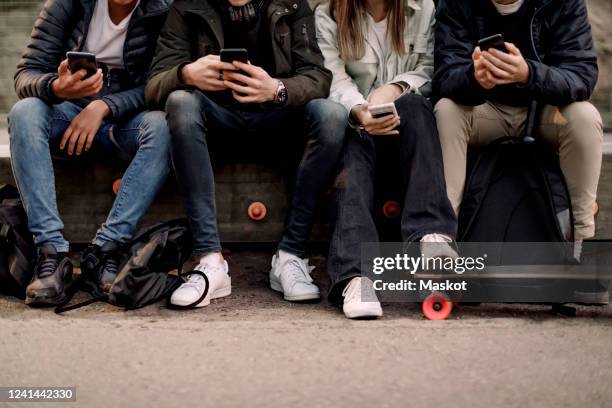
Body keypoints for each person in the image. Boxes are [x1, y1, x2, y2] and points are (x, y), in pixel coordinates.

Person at [145, 0, 347, 308]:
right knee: (180, 103)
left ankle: (290, 256)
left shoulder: (291, 5)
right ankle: (210, 262)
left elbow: (318, 78)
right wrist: (186, 74)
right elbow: (154, 86)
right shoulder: (187, 7)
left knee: (331, 114)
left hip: (278, 121)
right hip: (215, 123)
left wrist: (277, 89)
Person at [8, 0, 172, 307]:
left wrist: (104, 106)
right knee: (24, 113)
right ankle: (51, 253)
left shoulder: (163, 9)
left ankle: (106, 249)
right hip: (68, 116)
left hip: (127, 122)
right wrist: (57, 88)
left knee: (164, 125)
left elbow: (161, 83)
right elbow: (25, 75)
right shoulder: (66, 4)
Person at [315, 0, 457, 319]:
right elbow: (332, 77)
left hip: (409, 133)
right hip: (359, 126)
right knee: (350, 137)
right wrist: (361, 112)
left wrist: (394, 89)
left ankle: (432, 240)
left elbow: (431, 68)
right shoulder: (329, 15)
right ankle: (356, 277)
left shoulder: (422, 9)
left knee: (417, 109)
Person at [433, 0, 603, 246]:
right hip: (484, 110)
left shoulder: (564, 2)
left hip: (544, 111)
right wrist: (475, 78)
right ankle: (446, 239)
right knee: (446, 111)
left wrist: (529, 74)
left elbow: (582, 76)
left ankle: (580, 238)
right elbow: (444, 77)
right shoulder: (456, 4)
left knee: (585, 117)